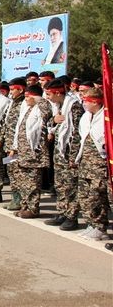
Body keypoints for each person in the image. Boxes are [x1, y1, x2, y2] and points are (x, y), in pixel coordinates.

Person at [43, 79, 83, 230]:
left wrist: (74, 157)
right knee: (60, 184)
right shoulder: (58, 105)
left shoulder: (74, 106)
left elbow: (78, 133)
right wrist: (53, 120)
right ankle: (62, 212)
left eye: (49, 94)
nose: (47, 97)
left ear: (58, 93)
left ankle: (72, 217)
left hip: (69, 153)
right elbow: (50, 123)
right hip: (60, 151)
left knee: (70, 185)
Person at [8, 85, 52, 218]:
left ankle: (33, 208)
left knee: (32, 183)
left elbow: (47, 109)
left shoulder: (41, 108)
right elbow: (19, 130)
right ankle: (24, 206)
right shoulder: (27, 109)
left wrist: (38, 98)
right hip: (22, 152)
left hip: (34, 153)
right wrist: (14, 148)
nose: (25, 99)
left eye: (28, 97)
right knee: (23, 182)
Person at [73, 88, 110, 240]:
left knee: (97, 197)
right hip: (85, 163)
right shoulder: (86, 116)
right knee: (84, 196)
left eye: (86, 101)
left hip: (98, 165)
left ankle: (100, 227)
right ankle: (91, 224)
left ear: (95, 102)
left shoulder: (106, 118)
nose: (84, 103)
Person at [2, 77, 27, 211]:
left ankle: (22, 201)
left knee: (19, 174)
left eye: (13, 89)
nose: (10, 92)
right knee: (12, 172)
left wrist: (14, 147)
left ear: (21, 89)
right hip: (9, 145)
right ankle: (15, 198)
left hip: (17, 146)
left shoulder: (24, 103)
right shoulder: (13, 102)